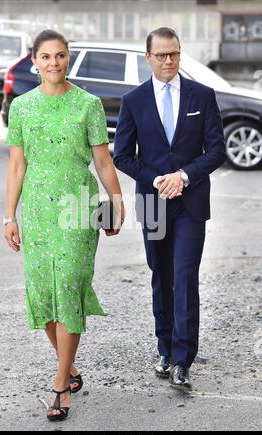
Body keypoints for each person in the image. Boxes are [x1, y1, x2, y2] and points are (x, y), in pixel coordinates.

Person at [4, 30, 125, 421]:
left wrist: (116, 203)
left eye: (60, 56)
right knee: (43, 293)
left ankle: (59, 385)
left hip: (78, 208)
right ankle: (69, 366)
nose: (54, 63)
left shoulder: (88, 104)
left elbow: (103, 162)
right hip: (37, 212)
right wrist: (10, 216)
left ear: (67, 58)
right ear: (34, 61)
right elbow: (17, 165)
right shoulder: (22, 107)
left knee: (69, 286)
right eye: (46, 57)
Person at [114, 27, 227, 391]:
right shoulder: (133, 101)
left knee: (184, 277)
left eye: (174, 54)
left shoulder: (202, 95)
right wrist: (159, 179)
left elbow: (216, 151)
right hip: (153, 203)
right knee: (161, 276)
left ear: (181, 53)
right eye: (161, 55)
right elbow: (122, 156)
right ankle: (164, 348)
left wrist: (183, 176)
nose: (168, 61)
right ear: (148, 57)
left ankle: (182, 359)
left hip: (191, 204)